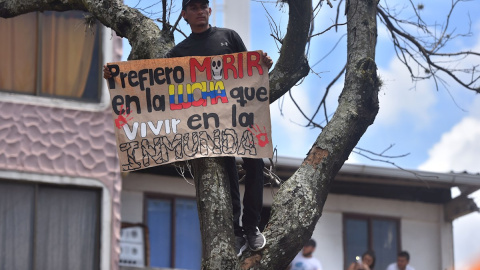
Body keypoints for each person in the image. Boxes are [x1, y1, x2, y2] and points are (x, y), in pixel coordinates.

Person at [104, 0, 273, 258]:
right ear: (184, 15)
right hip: (206, 126)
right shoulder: (178, 53)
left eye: (203, 6)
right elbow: (155, 86)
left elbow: (249, 73)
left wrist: (264, 66)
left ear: (209, 10)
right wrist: (117, 79)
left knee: (255, 163)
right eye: (193, 7)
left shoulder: (228, 37)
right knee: (226, 171)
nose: (200, 11)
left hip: (238, 115)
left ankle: (252, 227)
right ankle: (237, 231)